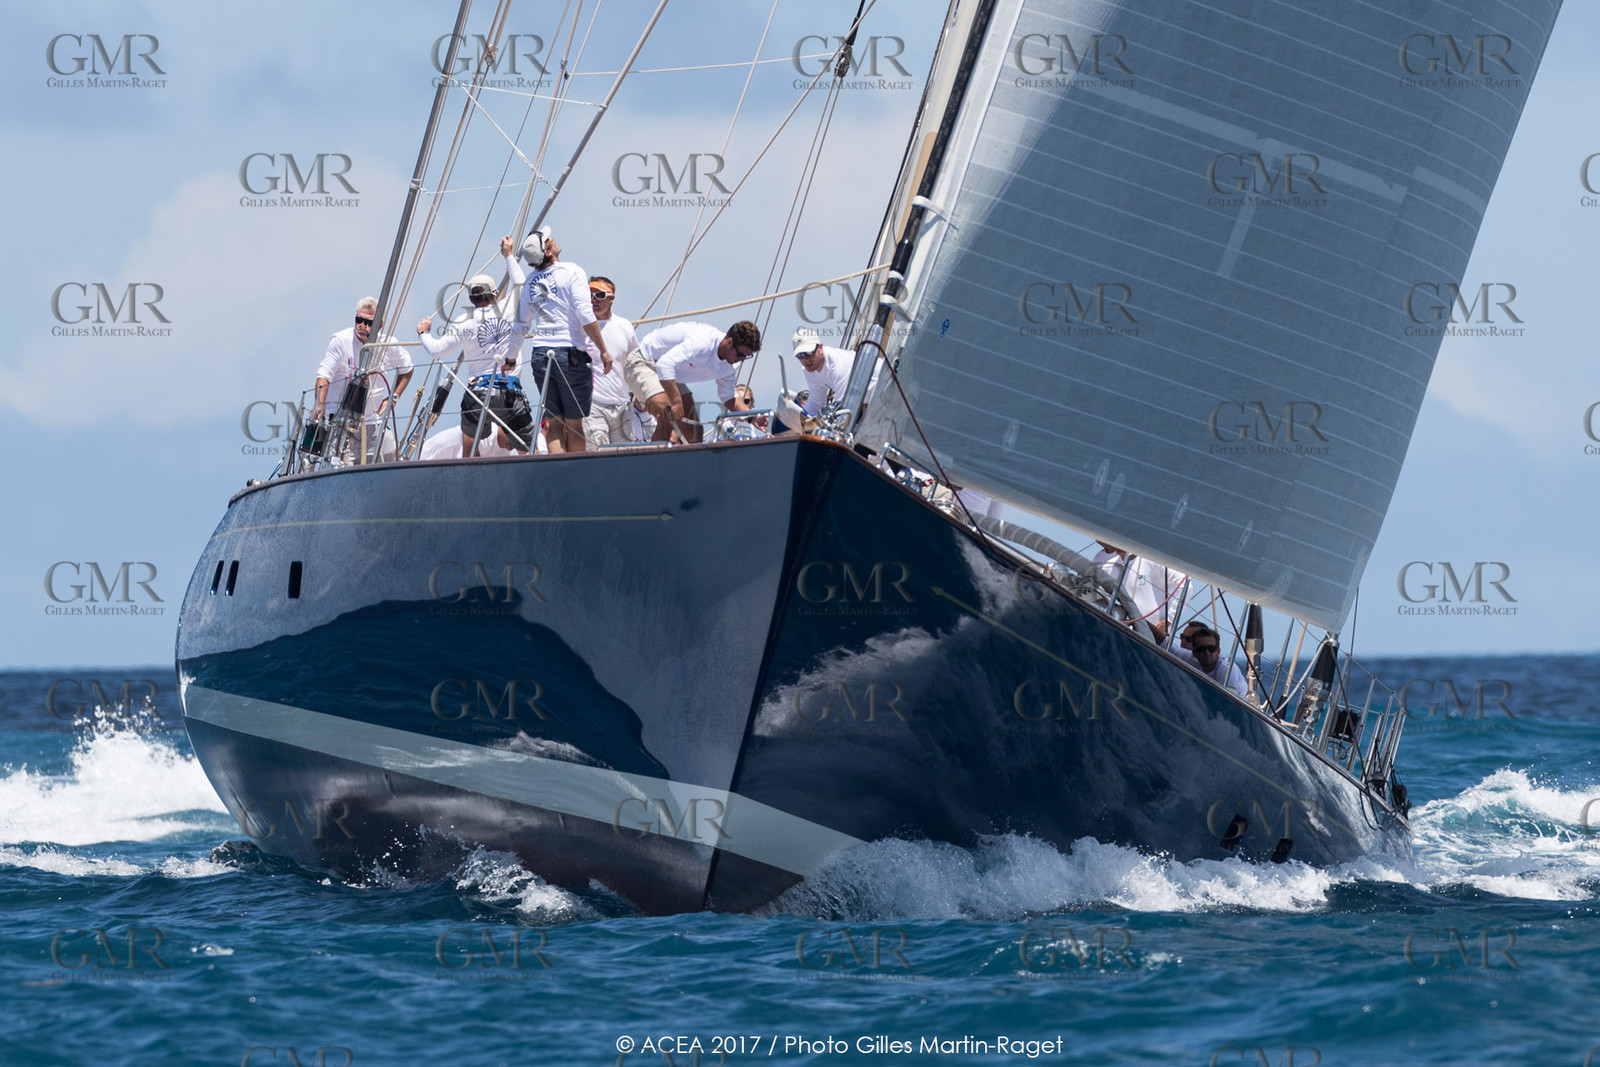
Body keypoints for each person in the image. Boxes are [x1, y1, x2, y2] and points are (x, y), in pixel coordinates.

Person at [416, 236, 527, 456]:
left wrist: (423, 333)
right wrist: (508, 255)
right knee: (522, 442)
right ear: (495, 295)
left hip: (478, 391)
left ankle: (471, 477)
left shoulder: (463, 321)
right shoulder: (506, 308)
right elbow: (520, 282)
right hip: (509, 390)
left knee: (469, 444)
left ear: (471, 298)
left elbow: (436, 351)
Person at [508, 226, 611, 453]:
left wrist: (510, 357)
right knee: (574, 424)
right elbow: (585, 314)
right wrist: (603, 350)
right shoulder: (572, 271)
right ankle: (574, 475)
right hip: (571, 354)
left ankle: (558, 472)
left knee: (555, 422)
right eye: (549, 239)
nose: (553, 239)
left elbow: (521, 325)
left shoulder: (530, 282)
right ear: (547, 251)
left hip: (540, 355)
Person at [313, 296, 413, 461]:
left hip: (373, 420)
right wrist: (320, 404)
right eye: (358, 320)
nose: (362, 326)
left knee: (388, 455)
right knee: (341, 465)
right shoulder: (340, 341)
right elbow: (324, 375)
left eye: (368, 323)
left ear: (379, 325)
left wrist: (393, 397)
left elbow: (407, 369)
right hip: (341, 420)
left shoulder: (387, 343)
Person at [626, 320, 759, 443]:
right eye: (741, 355)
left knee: (694, 432)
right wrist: (676, 401)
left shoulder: (730, 365)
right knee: (667, 413)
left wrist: (753, 417)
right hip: (645, 361)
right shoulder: (703, 343)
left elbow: (729, 398)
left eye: (747, 357)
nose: (741, 360)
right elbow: (664, 365)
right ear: (729, 342)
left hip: (670, 372)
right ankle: (653, 464)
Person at [580, 275, 639, 448]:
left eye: (599, 295)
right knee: (597, 456)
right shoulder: (579, 327)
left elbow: (635, 360)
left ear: (611, 299)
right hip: (592, 405)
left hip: (621, 406)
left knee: (625, 461)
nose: (593, 300)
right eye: (589, 295)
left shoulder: (624, 326)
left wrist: (636, 389)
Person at [1091, 541, 1187, 643]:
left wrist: (1168, 620)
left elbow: (1185, 584)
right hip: (1121, 634)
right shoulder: (1108, 567)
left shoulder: (1151, 560)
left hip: (1154, 638)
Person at [791, 327, 855, 417]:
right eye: (800, 355)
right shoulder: (809, 370)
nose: (805, 360)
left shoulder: (838, 365)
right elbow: (816, 402)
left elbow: (842, 406)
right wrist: (798, 421)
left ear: (820, 347)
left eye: (809, 353)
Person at [1179, 626, 1250, 699]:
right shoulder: (1190, 659)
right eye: (1202, 649)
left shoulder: (1225, 669)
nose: (1207, 653)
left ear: (1218, 651)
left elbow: (1230, 702)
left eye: (1211, 648)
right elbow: (1171, 647)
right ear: (1194, 653)